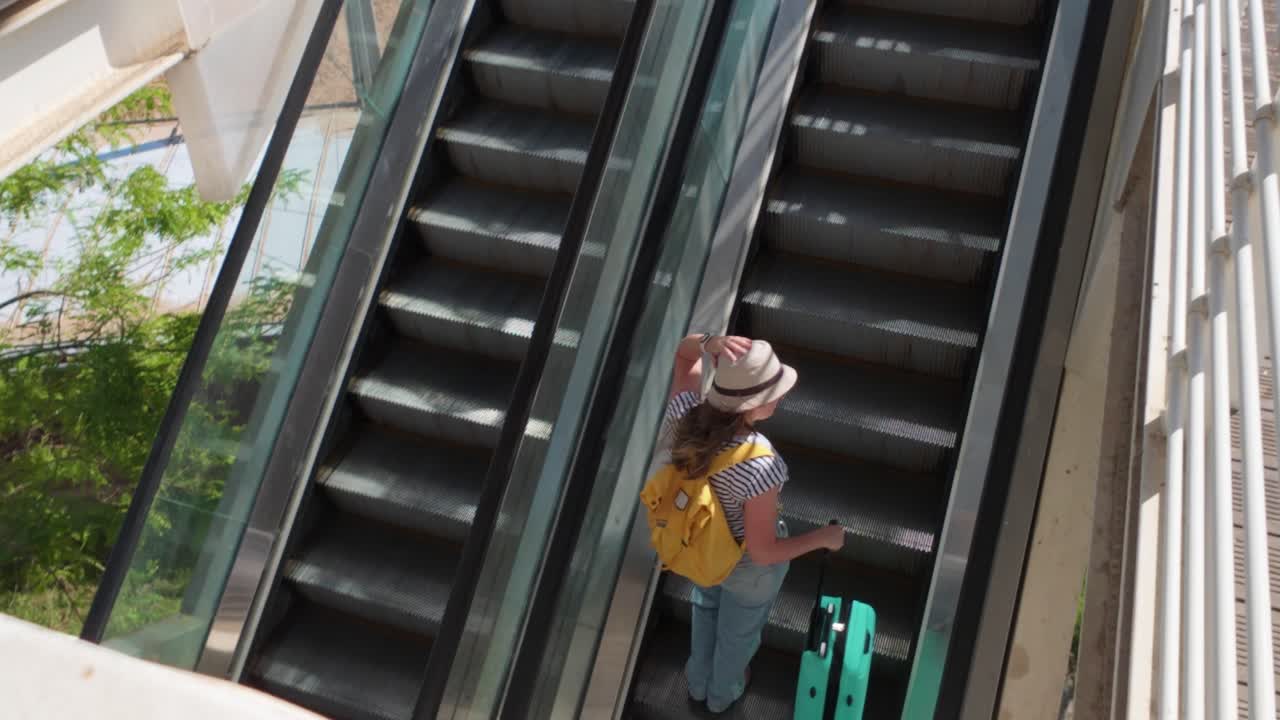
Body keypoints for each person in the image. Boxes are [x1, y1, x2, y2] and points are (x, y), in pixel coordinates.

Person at [660, 332, 845, 713]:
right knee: (738, 633)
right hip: (744, 564)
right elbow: (763, 552)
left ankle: (696, 682)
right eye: (774, 391)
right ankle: (720, 695)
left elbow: (683, 357)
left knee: (706, 607)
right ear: (755, 404)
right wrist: (824, 538)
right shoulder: (760, 464)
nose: (780, 396)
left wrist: (708, 340)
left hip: (700, 546)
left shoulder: (685, 417)